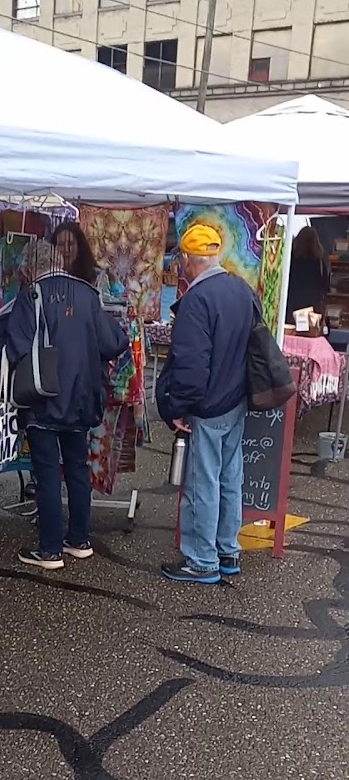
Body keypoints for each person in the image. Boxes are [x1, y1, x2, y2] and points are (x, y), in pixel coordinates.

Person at [5, 259, 128, 570]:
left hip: (43, 397)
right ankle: (79, 540)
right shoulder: (88, 294)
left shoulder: (32, 294)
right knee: (76, 467)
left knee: (47, 473)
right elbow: (115, 342)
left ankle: (49, 549)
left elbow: (16, 346)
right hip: (82, 397)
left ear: (31, 269)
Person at [156, 223, 253, 585]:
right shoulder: (241, 290)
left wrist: (177, 408)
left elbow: (191, 365)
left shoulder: (197, 300)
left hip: (207, 405)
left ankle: (201, 561)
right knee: (230, 478)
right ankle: (227, 550)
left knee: (202, 483)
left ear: (185, 259)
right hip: (236, 400)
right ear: (215, 255)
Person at [286, 226, 330, 324]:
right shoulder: (320, 259)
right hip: (313, 304)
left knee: (292, 330)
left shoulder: (291, 257)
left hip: (292, 302)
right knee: (310, 329)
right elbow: (325, 284)